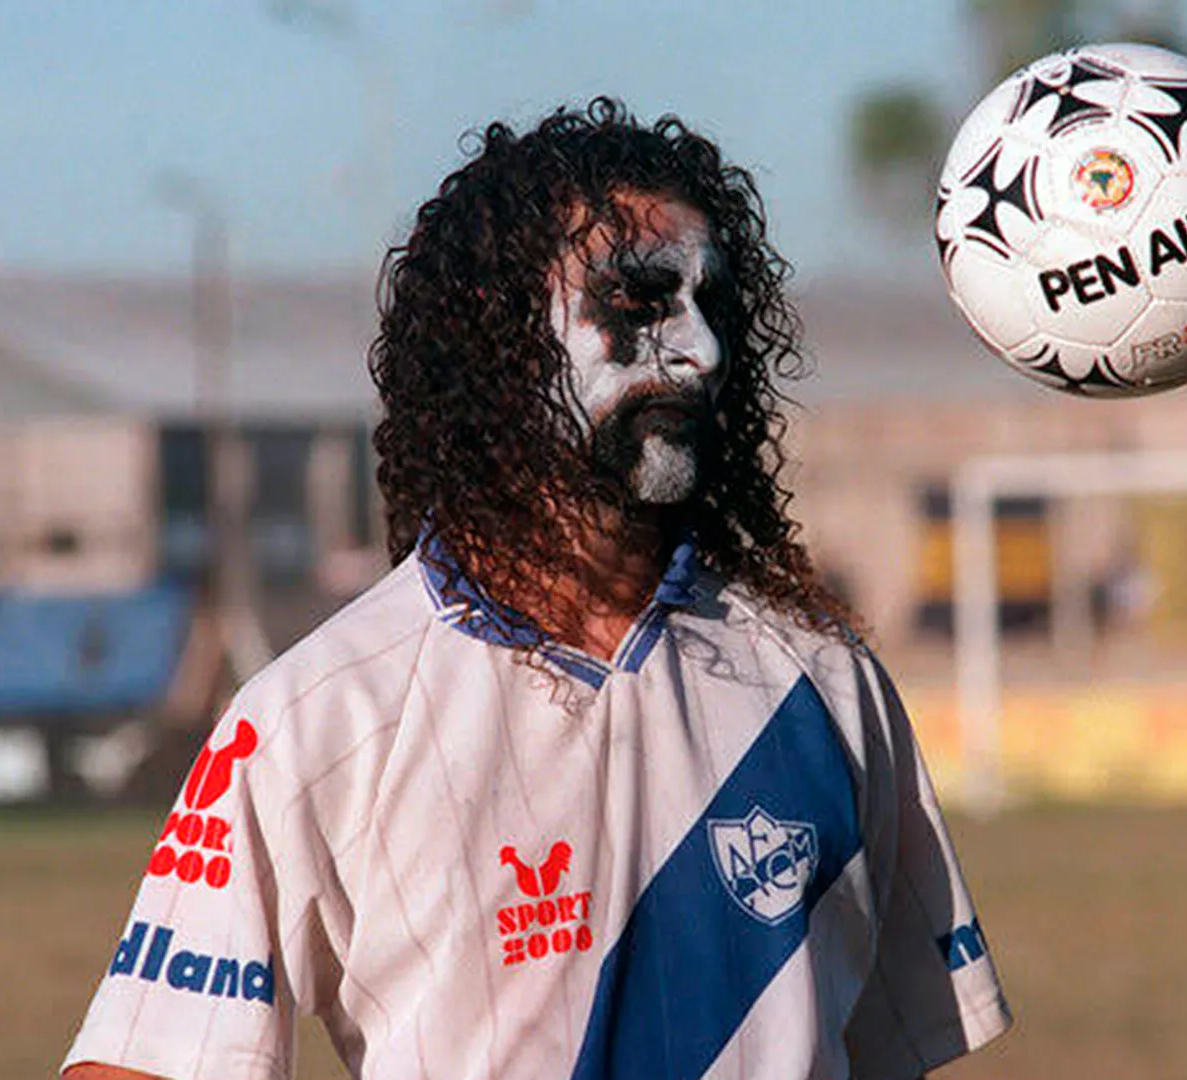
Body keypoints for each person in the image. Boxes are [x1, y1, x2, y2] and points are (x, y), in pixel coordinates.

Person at [62, 97, 1010, 1080]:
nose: (701, 351)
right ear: (499, 335)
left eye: (710, 307)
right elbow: (145, 1060)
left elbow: (893, 1051)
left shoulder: (823, 678)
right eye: (640, 303)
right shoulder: (318, 715)